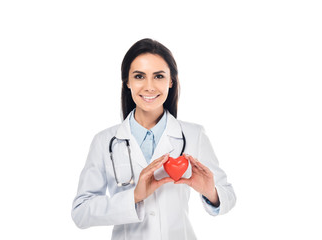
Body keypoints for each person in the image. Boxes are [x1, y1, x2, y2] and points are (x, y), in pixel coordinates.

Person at [71, 38, 236, 240]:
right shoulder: (104, 141)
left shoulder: (194, 135)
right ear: (127, 82)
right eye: (139, 76)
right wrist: (134, 196)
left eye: (158, 76)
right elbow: (81, 212)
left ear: (171, 81)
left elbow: (228, 196)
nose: (149, 87)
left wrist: (210, 192)